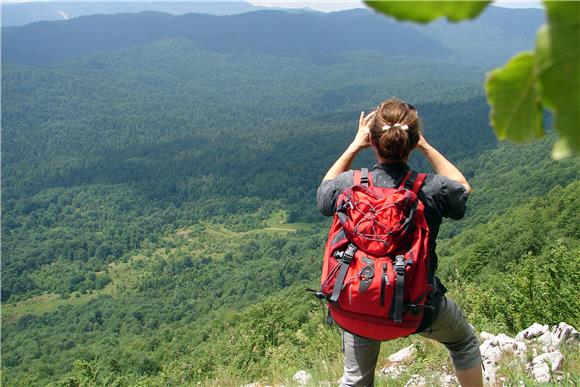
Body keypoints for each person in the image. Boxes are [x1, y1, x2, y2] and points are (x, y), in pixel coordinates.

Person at [316, 98, 483, 387]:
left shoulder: (349, 185)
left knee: (355, 379)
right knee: (464, 342)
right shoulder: (430, 189)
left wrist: (355, 145)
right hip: (417, 306)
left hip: (357, 303)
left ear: (372, 140)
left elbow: (323, 194)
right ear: (413, 139)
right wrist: (425, 146)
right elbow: (463, 190)